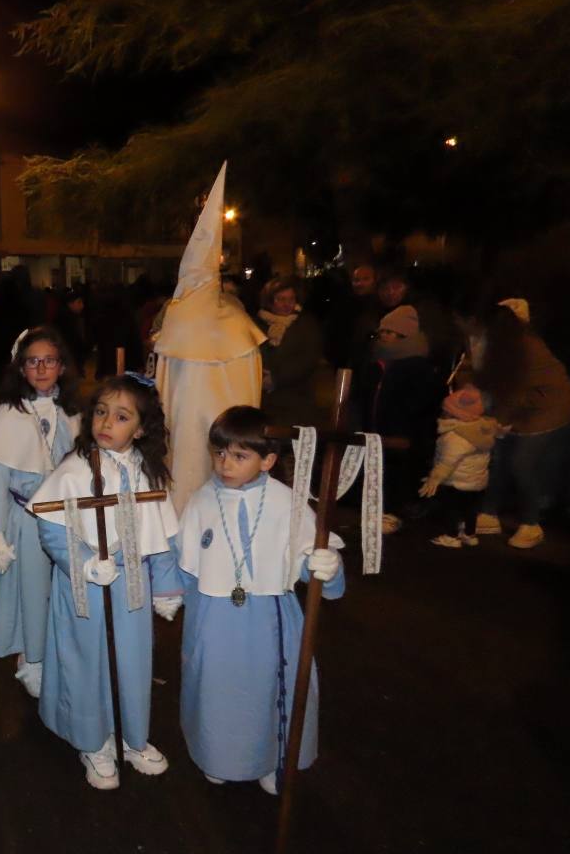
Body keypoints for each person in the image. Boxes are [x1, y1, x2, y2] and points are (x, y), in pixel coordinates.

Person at [175, 405, 344, 794]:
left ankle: (273, 757)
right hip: (215, 618)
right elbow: (187, 562)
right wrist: (171, 595)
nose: (225, 464)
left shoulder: (287, 501)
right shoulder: (203, 499)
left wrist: (323, 567)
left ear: (267, 460)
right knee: (216, 688)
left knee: (270, 688)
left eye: (239, 456)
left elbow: (308, 560)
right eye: (219, 453)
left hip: (270, 617)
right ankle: (218, 756)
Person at [29, 374, 183, 790]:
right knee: (86, 659)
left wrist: (167, 585)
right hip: (87, 588)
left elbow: (163, 535)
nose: (106, 423)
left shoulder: (146, 471)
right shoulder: (74, 468)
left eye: (121, 416)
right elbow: (52, 529)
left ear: (142, 427)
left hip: (131, 585)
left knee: (133, 661)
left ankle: (132, 737)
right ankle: (92, 741)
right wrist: (82, 563)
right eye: (100, 412)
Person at [0, 326, 81, 698]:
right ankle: (32, 659)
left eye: (49, 360)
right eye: (32, 361)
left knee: (63, 590)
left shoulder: (74, 413)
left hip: (67, 519)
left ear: (62, 366)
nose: (41, 368)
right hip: (28, 520)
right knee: (32, 592)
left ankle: (59, 652)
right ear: (20, 369)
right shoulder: (8, 415)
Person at [152, 162, 266, 516]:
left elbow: (163, 384)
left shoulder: (177, 315)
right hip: (227, 433)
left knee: (188, 490)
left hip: (189, 429)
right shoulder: (237, 317)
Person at [475, 301, 570, 549]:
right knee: (500, 457)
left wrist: (499, 422)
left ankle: (532, 523)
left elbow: (516, 392)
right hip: (526, 407)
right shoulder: (505, 345)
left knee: (521, 463)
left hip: (549, 409)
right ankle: (488, 514)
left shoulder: (526, 348)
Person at [354, 304, 444, 533]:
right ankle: (377, 509)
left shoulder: (418, 367)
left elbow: (423, 404)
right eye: (382, 331)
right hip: (375, 429)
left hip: (402, 433)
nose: (383, 336)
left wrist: (409, 430)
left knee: (397, 473)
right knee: (377, 470)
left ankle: (393, 512)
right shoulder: (376, 362)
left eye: (389, 332)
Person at [419, 384, 497, 548]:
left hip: (457, 482)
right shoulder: (482, 430)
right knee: (471, 510)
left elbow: (448, 462)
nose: (443, 413)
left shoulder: (456, 436)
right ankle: (469, 534)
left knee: (451, 509)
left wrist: (435, 478)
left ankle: (451, 536)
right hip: (477, 483)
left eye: (446, 411)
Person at [255, 277, 324, 426]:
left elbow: (308, 359)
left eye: (291, 299)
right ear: (269, 301)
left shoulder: (305, 324)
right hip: (265, 399)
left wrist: (277, 377)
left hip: (296, 397)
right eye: (281, 299)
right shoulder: (257, 324)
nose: (287, 304)